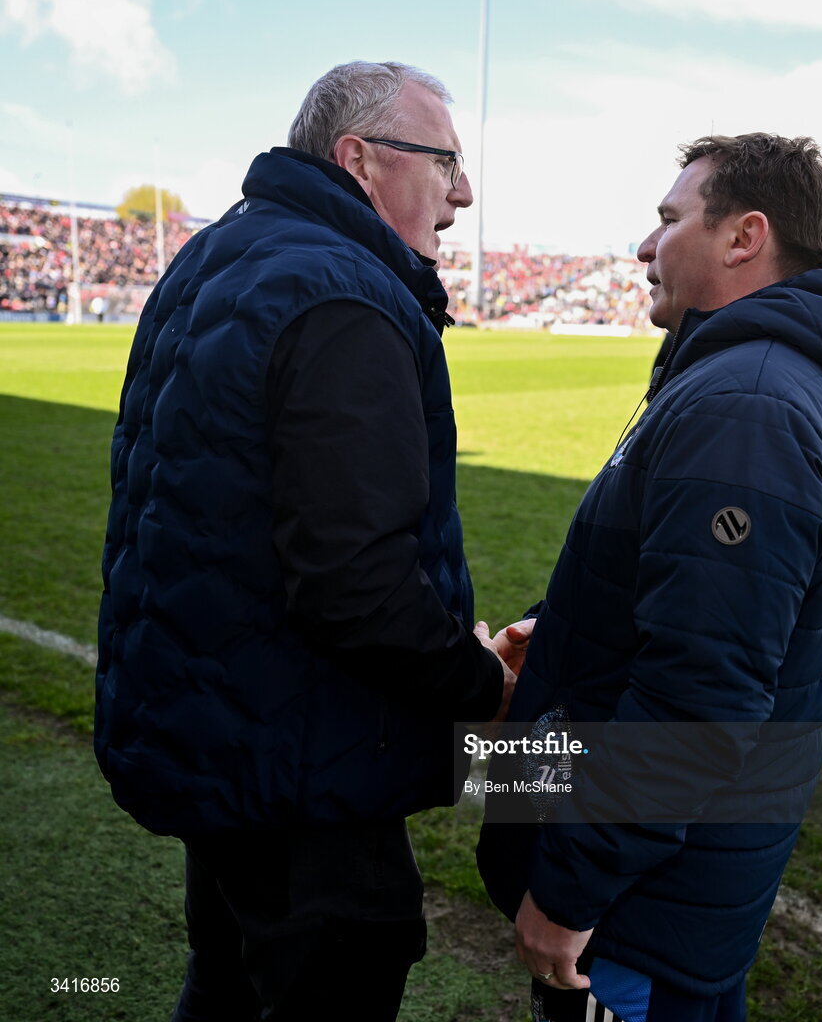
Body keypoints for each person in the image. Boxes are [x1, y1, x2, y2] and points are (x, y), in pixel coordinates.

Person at [94, 60, 515, 1021]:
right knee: (320, 979)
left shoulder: (224, 253)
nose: (463, 191)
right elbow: (352, 581)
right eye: (444, 160)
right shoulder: (341, 293)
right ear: (358, 159)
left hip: (226, 731)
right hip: (302, 761)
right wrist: (478, 682)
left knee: (230, 982)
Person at [478, 133, 822, 1021]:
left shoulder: (747, 403)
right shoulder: (741, 379)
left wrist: (569, 894)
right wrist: (557, 630)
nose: (645, 247)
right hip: (667, 892)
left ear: (742, 236)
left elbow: (700, 695)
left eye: (668, 219)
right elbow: (683, 616)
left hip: (639, 913)